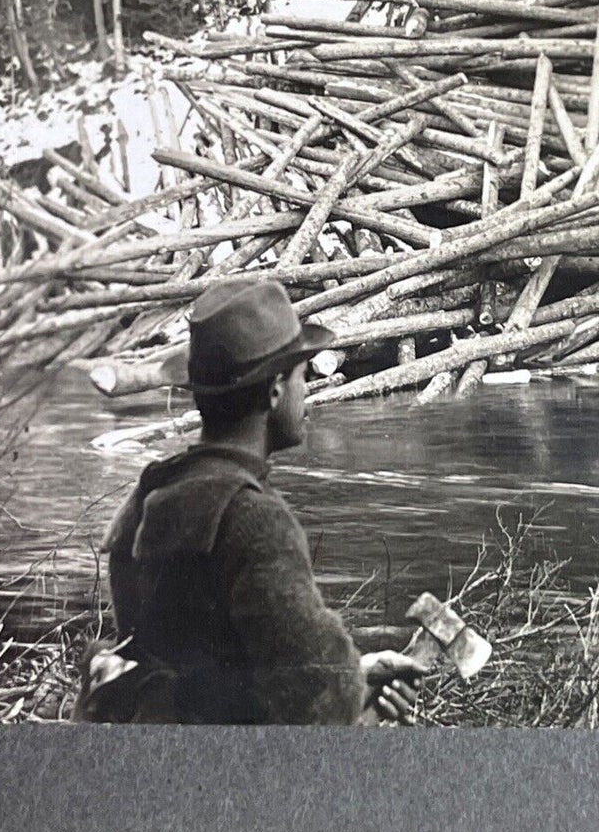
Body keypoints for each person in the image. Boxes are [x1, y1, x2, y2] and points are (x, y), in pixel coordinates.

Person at [77, 278, 421, 726]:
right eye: (301, 377)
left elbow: (197, 663)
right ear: (276, 389)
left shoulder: (150, 493)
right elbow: (321, 704)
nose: (306, 392)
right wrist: (356, 701)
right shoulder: (254, 520)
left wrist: (356, 674)